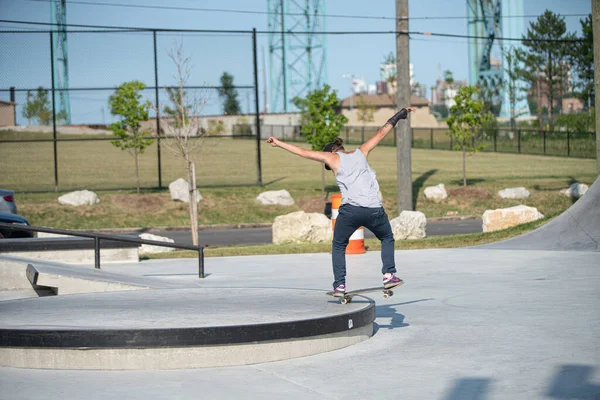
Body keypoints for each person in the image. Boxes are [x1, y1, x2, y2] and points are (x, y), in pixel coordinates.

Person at [266, 106, 415, 296]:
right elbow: (382, 131)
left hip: (351, 211)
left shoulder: (332, 158)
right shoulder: (362, 151)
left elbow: (303, 152)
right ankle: (389, 275)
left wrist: (278, 143)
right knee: (386, 237)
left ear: (331, 152)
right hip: (374, 210)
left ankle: (339, 285)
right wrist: (401, 114)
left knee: (338, 245)